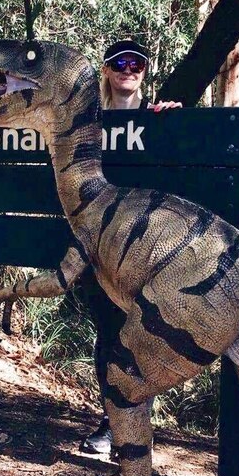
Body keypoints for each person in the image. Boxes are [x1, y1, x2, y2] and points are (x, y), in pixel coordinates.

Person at [80, 39, 182, 455]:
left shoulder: (157, 118)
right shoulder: (88, 122)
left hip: (143, 250)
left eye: (137, 63)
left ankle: (126, 427)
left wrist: (174, 123)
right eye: (119, 63)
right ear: (106, 71)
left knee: (138, 339)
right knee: (107, 335)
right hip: (98, 247)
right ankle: (111, 420)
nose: (128, 69)